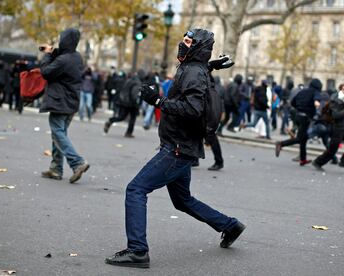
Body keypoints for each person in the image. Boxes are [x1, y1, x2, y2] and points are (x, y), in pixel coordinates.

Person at [105, 29, 245, 269]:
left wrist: (158, 102)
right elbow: (196, 82)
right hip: (183, 145)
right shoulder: (196, 68)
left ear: (197, 47)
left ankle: (138, 251)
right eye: (183, 39)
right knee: (182, 200)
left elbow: (192, 109)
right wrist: (209, 65)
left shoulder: (193, 71)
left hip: (177, 148)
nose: (183, 43)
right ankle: (230, 226)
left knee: (136, 190)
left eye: (188, 41)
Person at [39, 28, 90, 183]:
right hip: (71, 101)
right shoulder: (76, 57)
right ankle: (56, 169)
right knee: (59, 135)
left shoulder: (63, 60)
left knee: (58, 133)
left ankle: (77, 162)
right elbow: (63, 59)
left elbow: (46, 72)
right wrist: (54, 52)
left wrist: (48, 54)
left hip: (59, 101)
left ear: (64, 40)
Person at [275, 79, 322, 166]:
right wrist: (316, 104)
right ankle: (281, 144)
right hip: (305, 118)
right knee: (300, 139)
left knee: (303, 139)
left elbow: (293, 102)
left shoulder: (303, 91)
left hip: (297, 116)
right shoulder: (315, 92)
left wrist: (300, 107)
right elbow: (316, 100)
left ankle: (303, 159)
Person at [312, 82, 344, 171]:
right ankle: (318, 162)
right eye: (343, 90)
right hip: (336, 128)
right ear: (340, 90)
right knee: (332, 150)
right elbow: (335, 115)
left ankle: (343, 161)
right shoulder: (336, 100)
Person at [103, 69, 145, 138]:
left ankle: (110, 121)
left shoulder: (130, 79)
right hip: (131, 103)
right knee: (132, 118)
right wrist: (137, 104)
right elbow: (134, 94)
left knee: (121, 117)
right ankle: (128, 132)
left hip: (124, 101)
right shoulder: (138, 83)